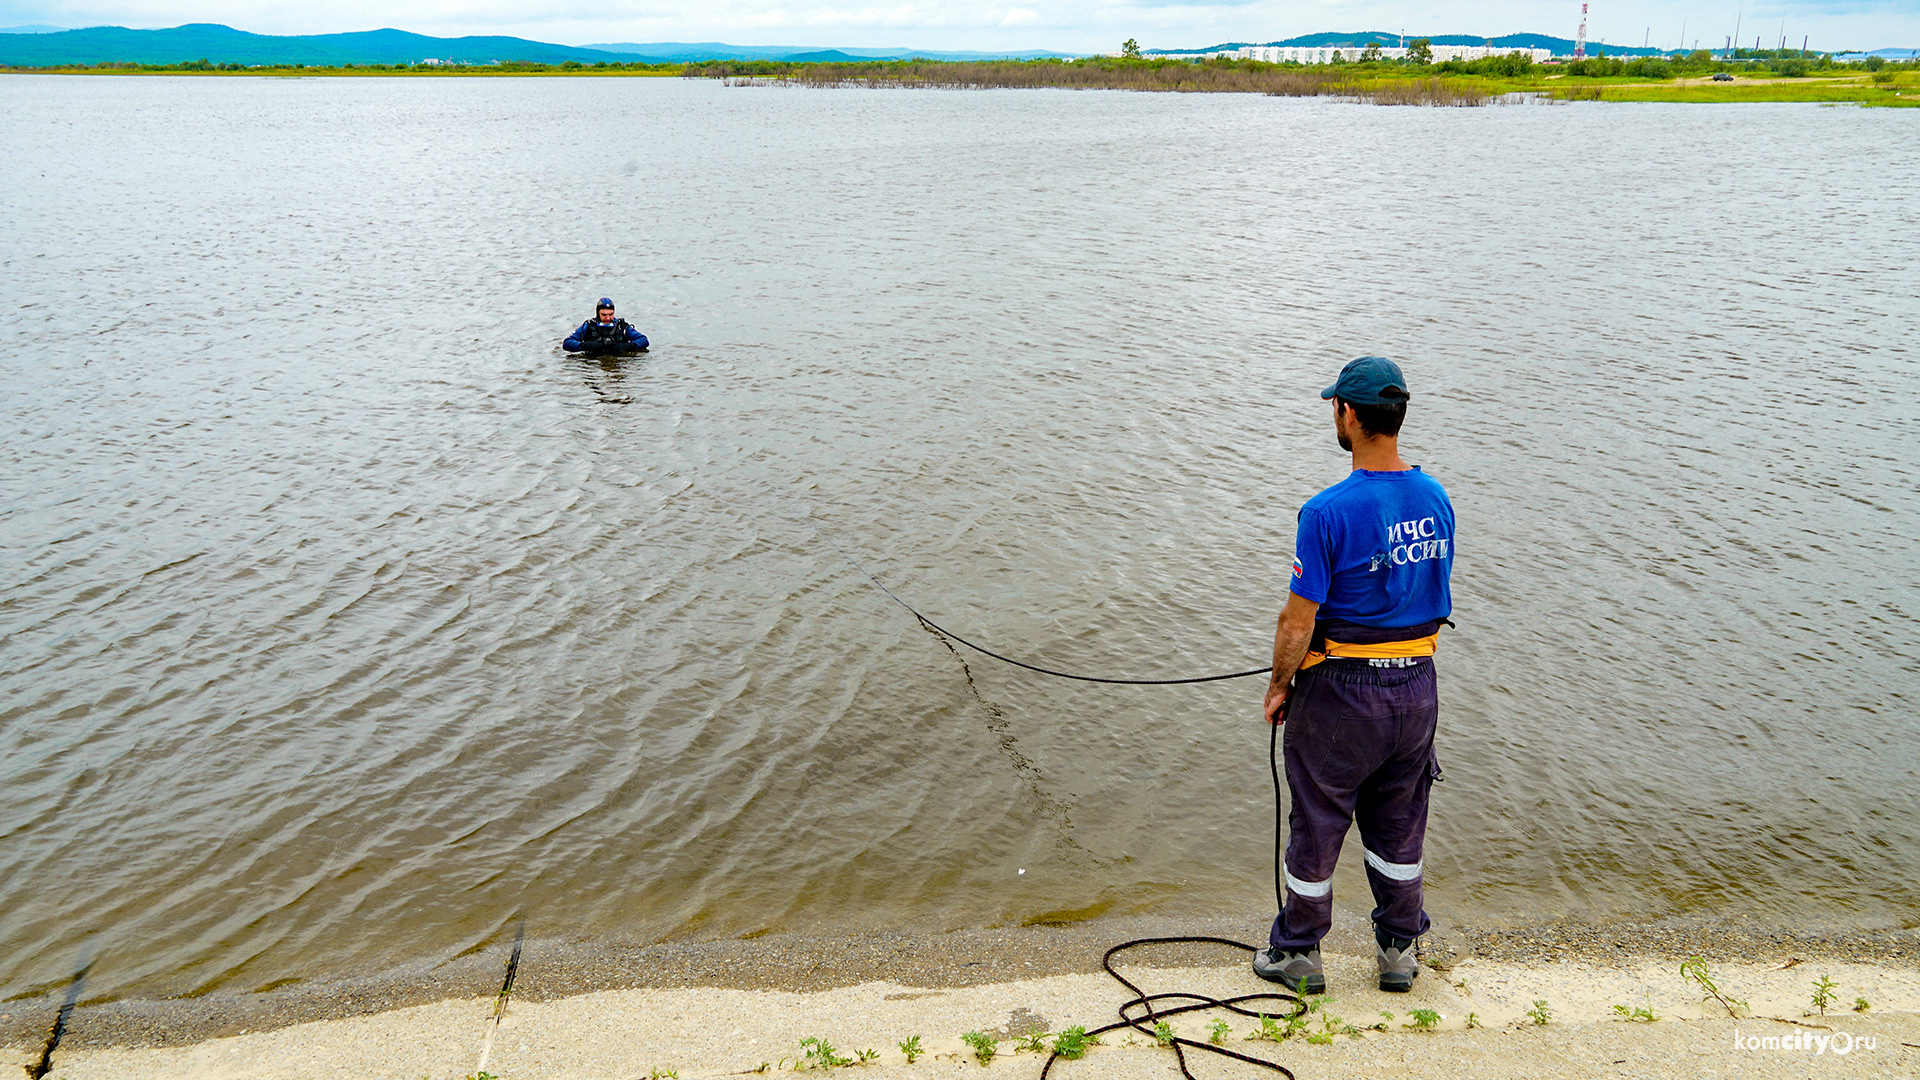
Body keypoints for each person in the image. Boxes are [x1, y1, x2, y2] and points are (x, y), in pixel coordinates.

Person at [1251, 355, 1456, 996]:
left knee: (1317, 817)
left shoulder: (1327, 511)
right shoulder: (1436, 496)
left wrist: (1281, 683)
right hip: (1417, 687)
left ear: (1350, 415)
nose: (1333, 416)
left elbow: (1297, 619)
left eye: (1334, 406)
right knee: (1399, 822)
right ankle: (1398, 951)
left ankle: (1299, 953)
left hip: (1342, 693)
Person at [564, 298, 649, 355]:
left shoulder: (621, 326)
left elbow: (644, 340)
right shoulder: (589, 326)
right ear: (598, 313)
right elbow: (567, 343)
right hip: (594, 364)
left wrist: (627, 346)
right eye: (604, 315)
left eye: (611, 314)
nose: (608, 318)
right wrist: (588, 345)